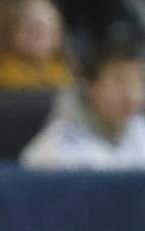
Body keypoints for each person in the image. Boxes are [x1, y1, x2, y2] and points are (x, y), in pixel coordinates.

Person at [22, 41, 145, 169]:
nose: (130, 95)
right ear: (89, 85)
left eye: (136, 82)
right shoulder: (55, 147)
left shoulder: (141, 132)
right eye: (119, 81)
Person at [0, 0, 75, 91]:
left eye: (51, 22)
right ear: (10, 30)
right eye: (32, 23)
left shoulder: (68, 79)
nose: (41, 30)